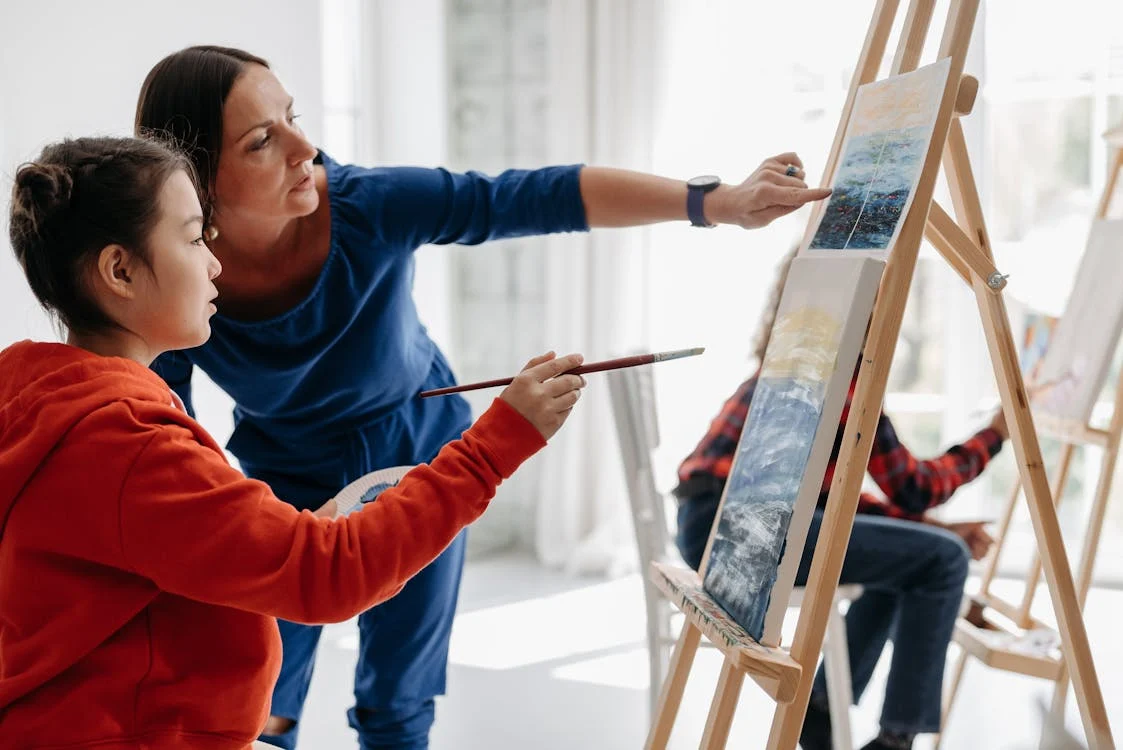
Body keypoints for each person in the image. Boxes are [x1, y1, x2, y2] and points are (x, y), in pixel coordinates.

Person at [132, 45, 832, 750]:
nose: (303, 147)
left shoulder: (368, 205)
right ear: (194, 178)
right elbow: (166, 423)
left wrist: (716, 202)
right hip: (285, 477)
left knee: (397, 700)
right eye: (262, 140)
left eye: (293, 118)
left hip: (419, 457)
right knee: (259, 699)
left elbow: (533, 194)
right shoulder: (183, 276)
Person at [0, 135, 585, 748]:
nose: (215, 264)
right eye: (196, 237)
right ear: (120, 270)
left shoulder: (40, 396)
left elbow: (156, 553)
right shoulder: (126, 440)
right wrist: (494, 447)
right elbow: (327, 575)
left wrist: (302, 528)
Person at [674, 250, 1006, 750]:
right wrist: (995, 435)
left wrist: (933, 530)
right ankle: (890, 739)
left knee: (918, 557)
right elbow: (915, 487)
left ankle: (823, 707)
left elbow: (827, 502)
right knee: (942, 563)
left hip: (711, 524)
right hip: (750, 534)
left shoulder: (791, 363)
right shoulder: (841, 381)